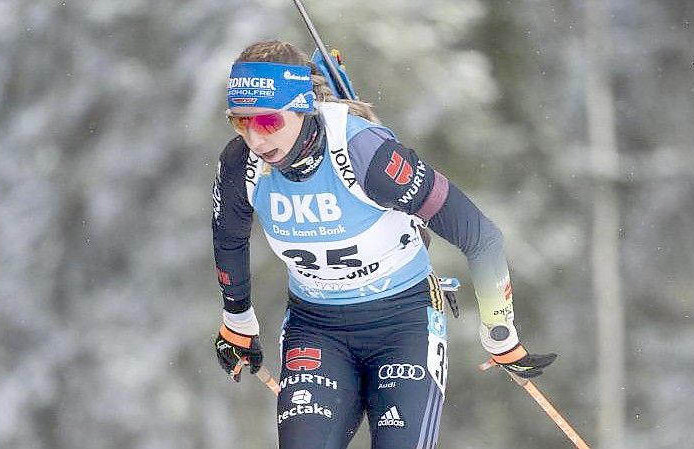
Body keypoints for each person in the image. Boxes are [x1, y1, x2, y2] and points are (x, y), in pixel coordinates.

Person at [212, 40, 556, 449]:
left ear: (304, 107)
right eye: (241, 122)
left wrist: (500, 331)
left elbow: (480, 236)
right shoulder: (242, 166)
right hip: (316, 327)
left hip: (403, 323)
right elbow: (228, 236)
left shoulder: (364, 155)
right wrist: (237, 321)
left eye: (267, 122)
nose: (255, 139)